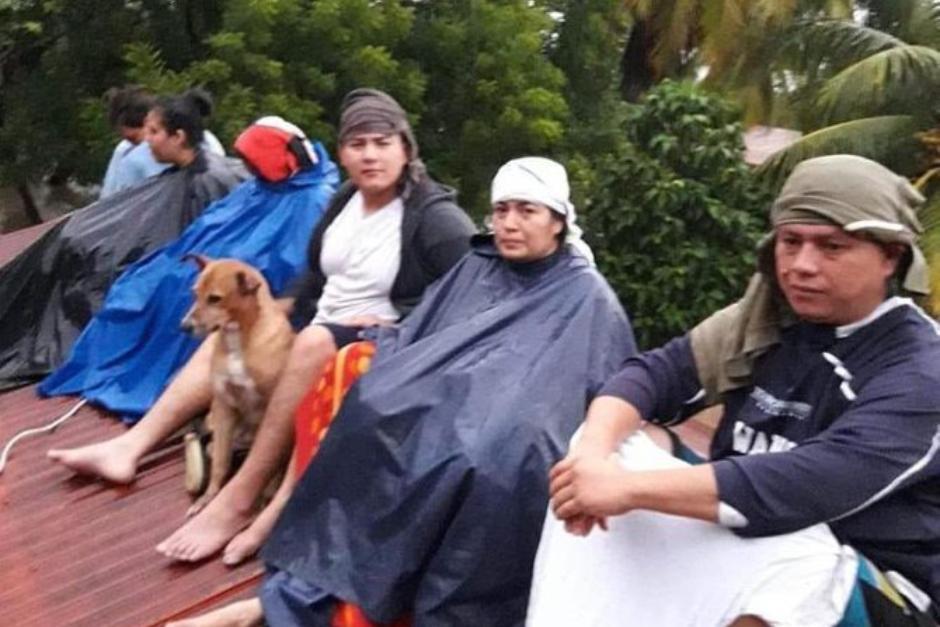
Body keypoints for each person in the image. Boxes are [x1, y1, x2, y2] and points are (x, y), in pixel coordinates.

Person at [168, 157, 637, 627]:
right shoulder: (479, 263)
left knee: (482, 460)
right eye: (502, 210)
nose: (509, 224)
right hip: (447, 392)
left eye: (526, 211)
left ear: (558, 219)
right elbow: (427, 331)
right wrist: (387, 339)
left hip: (520, 420)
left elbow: (599, 380)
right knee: (372, 407)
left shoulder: (586, 295)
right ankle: (296, 595)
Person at [47, 88, 476, 566]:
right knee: (232, 323)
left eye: (382, 142)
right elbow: (315, 275)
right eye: (357, 145)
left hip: (378, 346)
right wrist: (267, 309)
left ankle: (241, 501)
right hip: (321, 321)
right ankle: (131, 445)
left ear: (405, 147)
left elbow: (472, 300)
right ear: (341, 152)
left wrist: (401, 325)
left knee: (311, 341)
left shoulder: (435, 219)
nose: (370, 155)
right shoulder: (346, 200)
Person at [531, 155, 940, 626]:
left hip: (878, 584)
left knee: (799, 564)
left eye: (832, 247)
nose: (802, 266)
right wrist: (593, 461)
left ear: (891, 256)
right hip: (754, 535)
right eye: (791, 242)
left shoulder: (918, 368)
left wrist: (625, 489)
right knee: (610, 442)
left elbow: (808, 485)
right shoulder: (766, 319)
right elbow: (650, 375)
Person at [40, 116, 339, 422]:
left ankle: (165, 385)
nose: (248, 167)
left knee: (175, 288)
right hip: (205, 266)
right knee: (138, 284)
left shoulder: (313, 199)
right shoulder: (262, 187)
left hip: (237, 289)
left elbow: (290, 265)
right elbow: (211, 226)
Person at [0, 89, 247, 390]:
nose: (146, 138)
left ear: (178, 137)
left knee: (72, 257)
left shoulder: (207, 182)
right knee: (61, 244)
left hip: (115, 256)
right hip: (87, 236)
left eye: (154, 131)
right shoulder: (187, 173)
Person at [100, 86, 227, 198]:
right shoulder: (127, 155)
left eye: (153, 131)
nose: (147, 141)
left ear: (178, 136)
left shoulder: (217, 177)